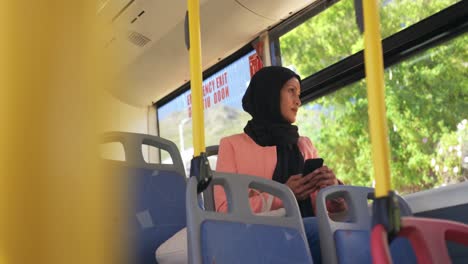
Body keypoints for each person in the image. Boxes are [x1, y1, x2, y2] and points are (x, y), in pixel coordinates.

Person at [214, 66, 345, 263]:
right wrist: (284, 195)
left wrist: (333, 190)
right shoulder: (232, 145)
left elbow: (322, 208)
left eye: (299, 94)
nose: (298, 101)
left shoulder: (304, 144)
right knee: (322, 232)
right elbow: (225, 210)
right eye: (291, 91)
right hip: (259, 235)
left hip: (308, 226)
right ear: (270, 94)